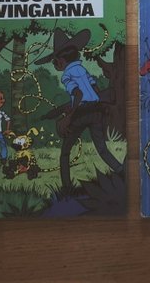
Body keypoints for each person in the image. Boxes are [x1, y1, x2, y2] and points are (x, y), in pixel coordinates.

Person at [37, 29, 123, 194]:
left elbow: (78, 94)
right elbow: (94, 89)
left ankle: (67, 189)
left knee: (65, 152)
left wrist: (68, 117)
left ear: (62, 61)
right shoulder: (82, 70)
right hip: (95, 112)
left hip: (81, 114)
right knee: (102, 149)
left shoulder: (67, 75)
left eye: (55, 62)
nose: (54, 65)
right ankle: (121, 171)